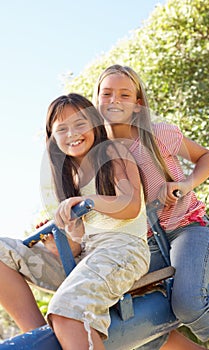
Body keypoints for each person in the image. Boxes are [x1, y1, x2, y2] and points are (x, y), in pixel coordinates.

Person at [92, 64, 209, 350]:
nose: (114, 100)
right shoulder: (98, 156)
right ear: (96, 100)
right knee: (132, 325)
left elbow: (207, 157)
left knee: (188, 302)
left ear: (137, 103)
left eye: (124, 95)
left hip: (188, 230)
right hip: (145, 247)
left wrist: (185, 185)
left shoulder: (156, 134)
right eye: (107, 94)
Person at [0, 93, 150, 350]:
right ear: (53, 137)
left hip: (124, 250)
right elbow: (75, 249)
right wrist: (57, 241)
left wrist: (87, 201)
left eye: (81, 124)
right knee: (2, 251)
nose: (72, 133)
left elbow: (131, 205)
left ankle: (62, 329)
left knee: (66, 309)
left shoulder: (114, 152)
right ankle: (40, 336)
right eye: (62, 129)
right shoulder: (66, 178)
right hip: (88, 257)